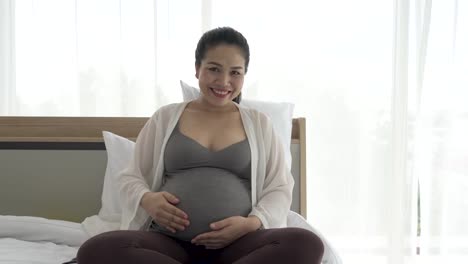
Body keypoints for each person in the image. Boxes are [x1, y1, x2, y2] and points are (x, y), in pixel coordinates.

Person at [77, 27, 324, 264]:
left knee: (306, 243)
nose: (224, 81)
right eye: (214, 69)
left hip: (240, 245)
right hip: (168, 242)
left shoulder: (260, 124)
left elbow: (279, 187)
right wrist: (148, 199)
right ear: (197, 69)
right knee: (96, 250)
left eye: (235, 72)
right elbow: (130, 177)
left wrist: (250, 223)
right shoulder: (165, 118)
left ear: (244, 76)